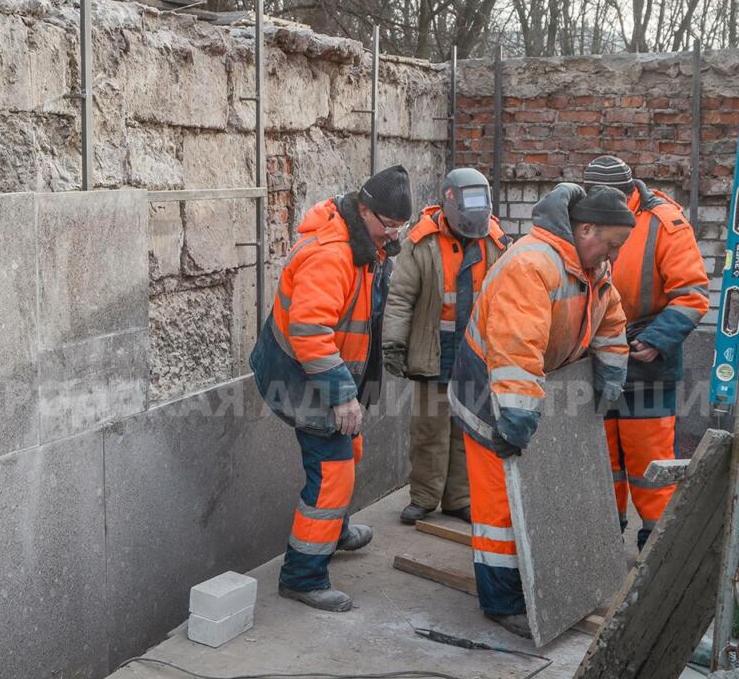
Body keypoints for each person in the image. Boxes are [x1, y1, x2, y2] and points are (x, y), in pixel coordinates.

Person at [447, 183, 634, 638]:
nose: (611, 255)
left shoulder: (590, 266)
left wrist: (612, 370)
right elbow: (515, 350)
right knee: (499, 508)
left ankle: (537, 580)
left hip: (530, 389)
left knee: (530, 490)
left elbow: (610, 320)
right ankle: (502, 600)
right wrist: (516, 417)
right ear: (584, 228)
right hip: (490, 395)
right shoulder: (532, 265)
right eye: (609, 244)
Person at [249, 165, 412, 612]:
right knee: (331, 475)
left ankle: (332, 531)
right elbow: (309, 330)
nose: (393, 236)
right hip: (300, 376)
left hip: (322, 372)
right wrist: (342, 394)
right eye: (388, 226)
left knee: (349, 453)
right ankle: (303, 576)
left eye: (401, 227)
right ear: (364, 210)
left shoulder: (365, 242)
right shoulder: (332, 255)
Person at [583, 156, 709, 549]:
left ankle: (656, 550)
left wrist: (655, 340)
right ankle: (603, 541)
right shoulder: (583, 216)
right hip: (597, 358)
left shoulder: (665, 223)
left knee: (649, 463)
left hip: (647, 361)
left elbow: (692, 294)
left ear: (627, 193)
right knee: (603, 460)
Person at [382, 168, 510, 526]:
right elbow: (401, 297)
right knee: (429, 429)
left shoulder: (495, 241)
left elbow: (507, 297)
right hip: (432, 350)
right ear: (448, 201)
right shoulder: (421, 242)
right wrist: (393, 343)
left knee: (465, 428)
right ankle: (424, 497)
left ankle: (459, 499)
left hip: (476, 353)